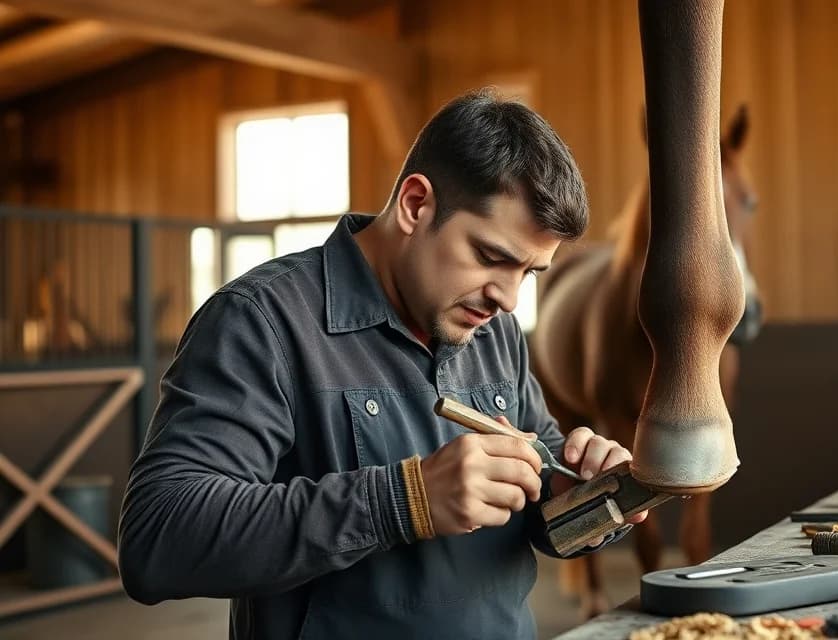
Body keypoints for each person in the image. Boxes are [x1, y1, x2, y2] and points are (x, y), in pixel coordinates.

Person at [117, 90, 644, 639]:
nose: (508, 299)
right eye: (491, 257)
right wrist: (404, 500)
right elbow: (157, 540)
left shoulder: (495, 331)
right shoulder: (263, 321)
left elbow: (543, 508)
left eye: (529, 272)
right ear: (416, 205)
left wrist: (589, 495)